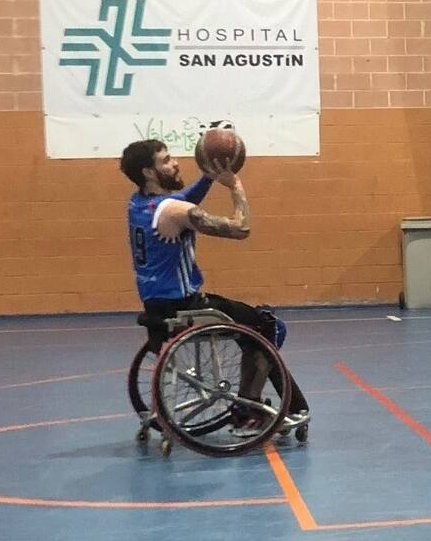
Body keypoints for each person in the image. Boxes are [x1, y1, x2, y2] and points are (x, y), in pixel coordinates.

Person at [121, 139, 309, 434]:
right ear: (148, 172)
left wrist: (208, 176)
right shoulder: (173, 211)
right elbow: (241, 228)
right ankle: (248, 410)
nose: (175, 163)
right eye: (166, 160)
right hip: (185, 307)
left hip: (156, 308)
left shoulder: (138, 204)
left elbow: (182, 200)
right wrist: (235, 186)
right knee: (267, 325)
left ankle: (269, 406)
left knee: (250, 321)